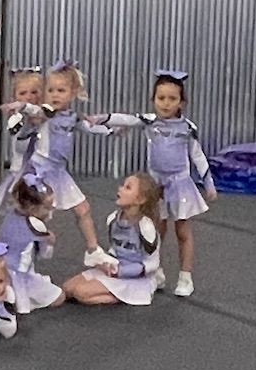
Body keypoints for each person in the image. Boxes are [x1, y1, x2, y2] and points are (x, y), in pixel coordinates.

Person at [87, 69, 214, 297]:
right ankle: (157, 270)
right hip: (156, 185)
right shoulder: (149, 121)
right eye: (161, 98)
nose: (166, 104)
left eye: (172, 99)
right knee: (155, 230)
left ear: (182, 102)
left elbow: (198, 155)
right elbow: (126, 119)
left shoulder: (187, 128)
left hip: (180, 185)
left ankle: (186, 276)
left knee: (183, 231)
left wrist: (209, 183)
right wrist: (102, 118)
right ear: (153, 100)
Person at [12, 60, 108, 269]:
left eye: (61, 90)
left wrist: (112, 130)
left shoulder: (72, 117)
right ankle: (25, 258)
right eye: (51, 90)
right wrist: (24, 112)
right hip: (40, 171)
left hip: (59, 173)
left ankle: (93, 250)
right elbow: (28, 121)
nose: (55, 95)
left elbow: (90, 127)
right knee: (36, 217)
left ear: (73, 93)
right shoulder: (43, 115)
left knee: (83, 209)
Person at [62, 173, 164, 308]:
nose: (120, 189)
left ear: (140, 199)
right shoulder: (113, 219)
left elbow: (152, 262)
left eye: (127, 188)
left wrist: (124, 271)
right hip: (114, 270)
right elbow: (115, 249)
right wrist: (105, 262)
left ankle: (125, 296)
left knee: (81, 293)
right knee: (67, 289)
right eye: (122, 185)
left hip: (134, 278)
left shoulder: (145, 227)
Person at [0, 175, 62, 314]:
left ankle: (8, 295)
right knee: (59, 297)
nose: (50, 212)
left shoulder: (11, 214)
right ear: (32, 207)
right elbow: (45, 254)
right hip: (18, 273)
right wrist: (50, 242)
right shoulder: (37, 226)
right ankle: (18, 299)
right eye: (47, 208)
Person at [0, 66, 42, 214]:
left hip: (42, 173)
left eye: (34, 92)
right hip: (21, 172)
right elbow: (21, 146)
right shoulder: (16, 120)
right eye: (23, 93)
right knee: (20, 213)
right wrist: (29, 126)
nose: (29, 97)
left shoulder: (46, 117)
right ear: (14, 98)